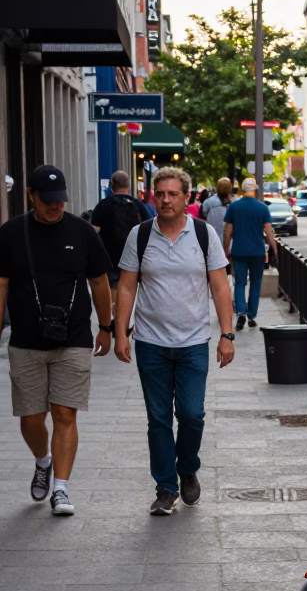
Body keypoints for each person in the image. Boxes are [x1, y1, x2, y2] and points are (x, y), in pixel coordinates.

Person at [113, 166, 236, 516]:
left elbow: (219, 286)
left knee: (192, 414)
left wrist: (227, 334)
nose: (166, 200)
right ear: (154, 196)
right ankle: (166, 487)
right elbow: (126, 286)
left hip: (194, 341)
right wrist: (120, 331)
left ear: (186, 197)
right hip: (151, 341)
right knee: (158, 417)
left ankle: (188, 468)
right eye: (160, 194)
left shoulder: (203, 234)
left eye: (173, 194)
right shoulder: (139, 235)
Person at [0, 164, 113, 516]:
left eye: (60, 200)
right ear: (31, 195)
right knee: (31, 417)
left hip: (74, 337)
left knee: (65, 413)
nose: (55, 206)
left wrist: (107, 328)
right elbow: (1, 285)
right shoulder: (11, 234)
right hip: (26, 340)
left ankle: (61, 490)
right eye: (47, 200)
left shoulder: (82, 232)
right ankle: (43, 460)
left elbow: (99, 282)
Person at [223, 177, 278, 330]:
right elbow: (268, 231)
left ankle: (241, 312)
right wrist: (274, 248)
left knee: (240, 283)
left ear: (241, 189)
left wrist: (225, 251)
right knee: (256, 282)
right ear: (255, 189)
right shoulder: (262, 208)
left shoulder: (233, 207)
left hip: (238, 251)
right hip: (258, 252)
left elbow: (227, 233)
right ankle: (252, 314)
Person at [90, 170, 148, 308]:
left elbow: (94, 231)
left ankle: (115, 316)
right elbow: (147, 229)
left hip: (110, 255)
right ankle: (124, 317)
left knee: (114, 285)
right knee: (129, 284)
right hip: (133, 254)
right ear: (128, 185)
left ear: (112, 186)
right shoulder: (138, 205)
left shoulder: (103, 205)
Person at [199, 178, 232, 242]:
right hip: (230, 240)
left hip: (212, 237)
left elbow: (203, 213)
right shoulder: (235, 202)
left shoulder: (209, 202)